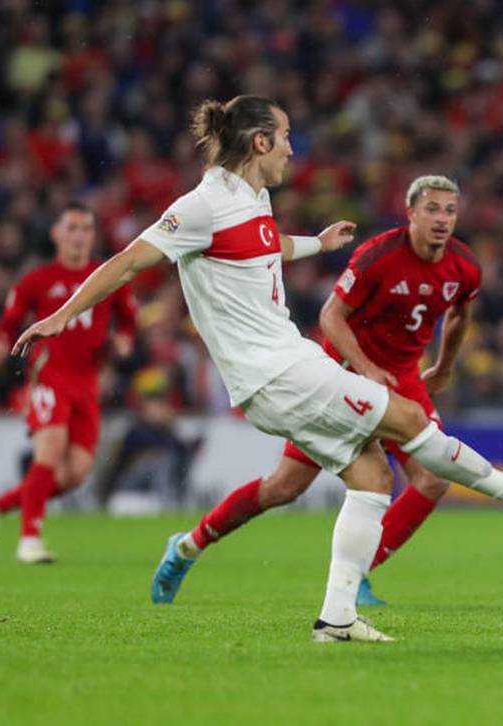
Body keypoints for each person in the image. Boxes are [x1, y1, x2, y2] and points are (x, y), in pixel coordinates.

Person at [12, 95, 503, 642]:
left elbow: (264, 246)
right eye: (287, 138)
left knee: (371, 479)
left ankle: (337, 617)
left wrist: (316, 244)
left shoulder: (251, 200)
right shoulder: (201, 205)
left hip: (281, 367)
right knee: (410, 418)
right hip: (277, 370)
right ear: (261, 142)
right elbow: (128, 260)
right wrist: (64, 314)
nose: (294, 148)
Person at [150, 174, 480, 607]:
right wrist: (366, 368)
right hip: (342, 376)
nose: (442, 219)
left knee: (432, 480)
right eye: (432, 209)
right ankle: (187, 546)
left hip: (405, 380)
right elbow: (330, 316)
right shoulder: (378, 256)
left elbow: (459, 313)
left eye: (450, 211)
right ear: (411, 213)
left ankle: (358, 574)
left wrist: (445, 366)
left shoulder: (464, 265)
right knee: (284, 488)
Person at [0, 203, 136, 564]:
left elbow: (127, 317)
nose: (80, 235)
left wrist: (124, 339)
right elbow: (10, 320)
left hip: (87, 384)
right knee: (50, 451)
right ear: (56, 234)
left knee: (75, 473)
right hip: (49, 376)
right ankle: (29, 539)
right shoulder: (38, 280)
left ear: (93, 236)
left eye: (86, 228)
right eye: (72, 227)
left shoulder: (106, 276)